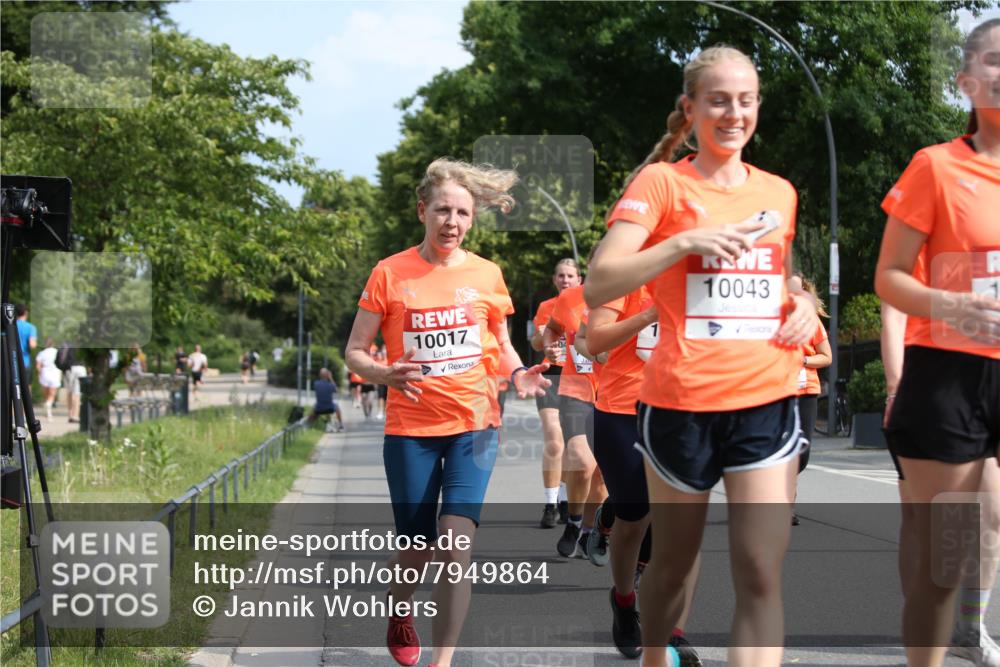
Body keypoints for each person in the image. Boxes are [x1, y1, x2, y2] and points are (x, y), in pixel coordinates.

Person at [585, 45, 819, 667]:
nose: (733, 113)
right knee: (671, 569)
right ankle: (655, 651)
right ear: (689, 110)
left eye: (746, 101)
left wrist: (800, 306)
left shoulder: (779, 192)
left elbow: (782, 280)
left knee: (760, 572)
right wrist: (684, 241)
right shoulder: (661, 183)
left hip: (768, 397)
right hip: (681, 403)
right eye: (718, 100)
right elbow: (600, 281)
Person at [344, 158, 549, 667]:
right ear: (422, 212)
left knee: (456, 548)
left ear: (472, 218)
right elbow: (354, 351)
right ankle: (398, 607)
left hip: (475, 429)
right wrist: (382, 373)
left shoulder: (487, 274)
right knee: (417, 549)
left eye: (461, 212)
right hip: (410, 431)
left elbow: (500, 344)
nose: (451, 221)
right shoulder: (389, 273)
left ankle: (444, 660)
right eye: (442, 210)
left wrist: (518, 373)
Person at [875, 20, 1000, 666]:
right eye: (996, 61)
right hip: (952, 374)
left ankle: (972, 630)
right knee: (945, 558)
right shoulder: (937, 166)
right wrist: (952, 303)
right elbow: (889, 277)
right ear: (966, 80)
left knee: (991, 522)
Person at [582, 285, 702, 665]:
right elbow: (595, 338)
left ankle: (674, 633)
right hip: (623, 412)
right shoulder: (628, 270)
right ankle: (623, 599)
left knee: (685, 525)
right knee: (633, 523)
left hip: (687, 412)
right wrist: (651, 314)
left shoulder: (706, 270)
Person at [883, 301, 1000, 667]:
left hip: (985, 388)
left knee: (992, 513)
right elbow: (893, 314)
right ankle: (922, 627)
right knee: (920, 516)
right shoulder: (923, 246)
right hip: (927, 388)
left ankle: (969, 630)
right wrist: (894, 384)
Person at [544, 275, 607, 560]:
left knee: (603, 474)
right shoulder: (570, 298)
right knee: (581, 460)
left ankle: (588, 530)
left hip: (615, 392)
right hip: (576, 387)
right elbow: (553, 328)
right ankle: (573, 520)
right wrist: (549, 345)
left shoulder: (634, 295)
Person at [531, 258, 582, 528]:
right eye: (560, 276)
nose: (565, 280)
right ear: (554, 280)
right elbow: (536, 340)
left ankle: (565, 500)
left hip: (578, 378)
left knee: (575, 446)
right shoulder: (546, 307)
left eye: (570, 276)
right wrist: (544, 341)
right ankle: (550, 504)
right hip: (550, 375)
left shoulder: (588, 305)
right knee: (554, 440)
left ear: (579, 280)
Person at [790, 273, 831, 526]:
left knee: (801, 453)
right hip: (775, 391)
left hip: (805, 390)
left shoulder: (810, 319)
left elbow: (826, 357)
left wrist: (803, 360)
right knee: (782, 452)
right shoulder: (767, 317)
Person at [309, 368, 344, 432]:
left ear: (320, 375)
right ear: (327, 375)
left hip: (319, 409)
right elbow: (336, 390)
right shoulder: (330, 385)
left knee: (313, 409)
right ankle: (340, 424)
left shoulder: (316, 384)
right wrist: (331, 378)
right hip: (330, 407)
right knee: (337, 407)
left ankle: (309, 424)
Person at [35, 338, 62, 420]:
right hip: (55, 372)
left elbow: (38, 366)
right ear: (53, 344)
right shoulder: (57, 352)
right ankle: (48, 406)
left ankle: (47, 409)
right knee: (52, 393)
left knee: (46, 393)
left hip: (45, 372)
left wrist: (39, 374)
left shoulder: (42, 353)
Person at [14, 304, 37, 383]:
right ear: (26, 313)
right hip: (25, 362)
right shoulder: (30, 327)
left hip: (11, 361)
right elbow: (32, 344)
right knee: (26, 389)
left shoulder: (10, 327)